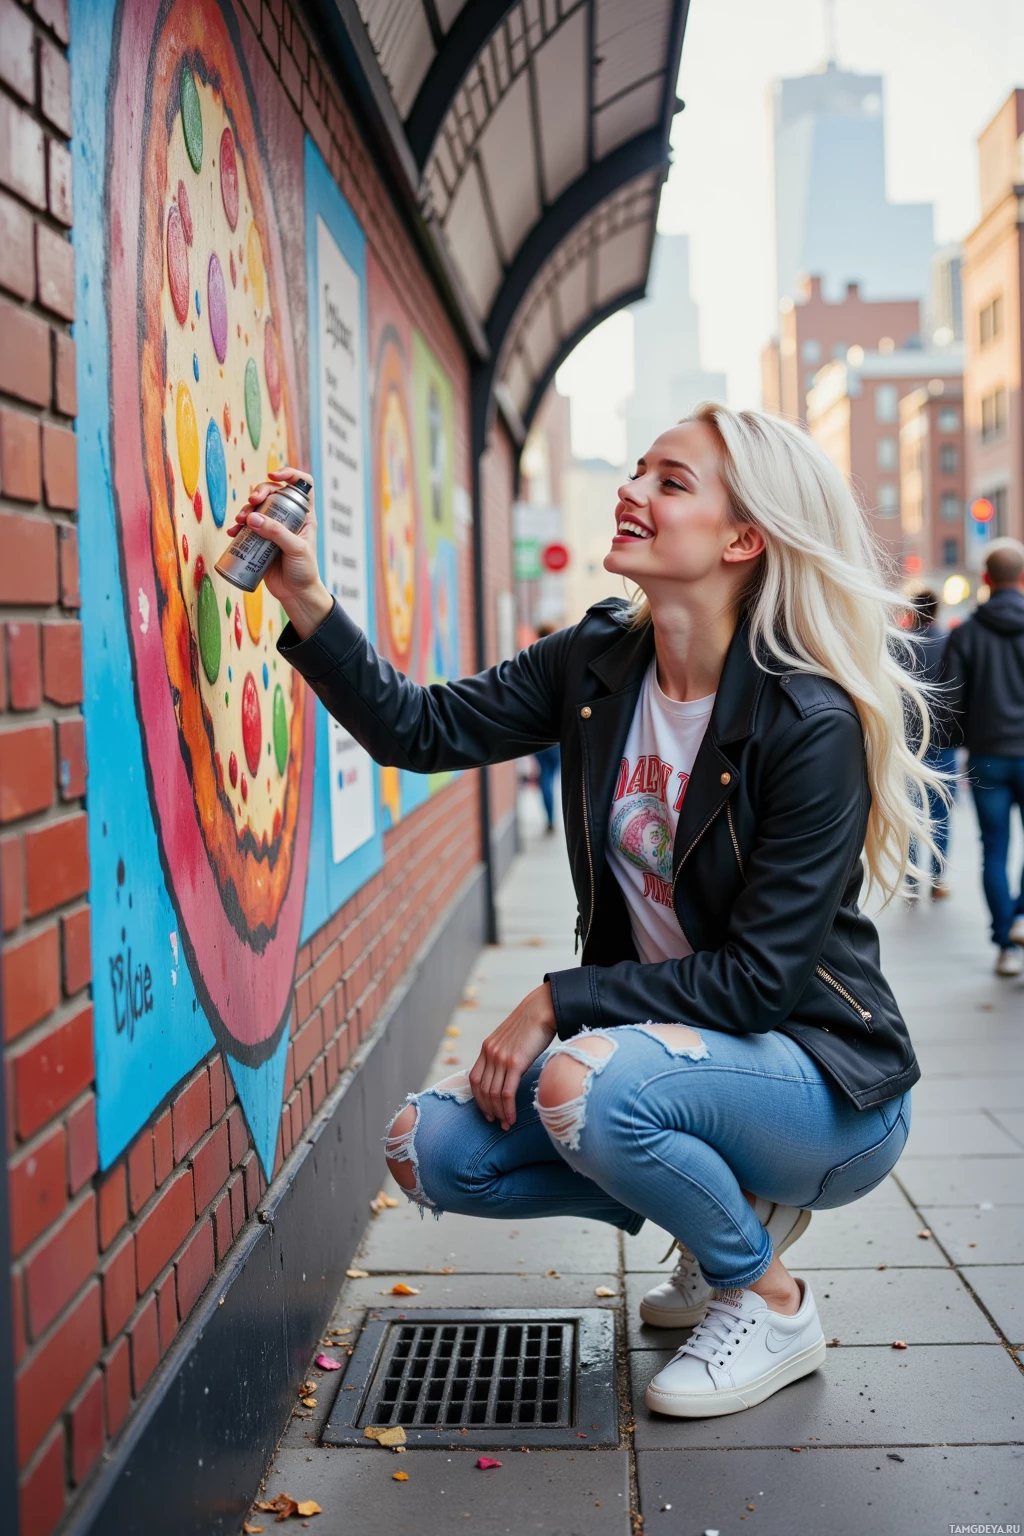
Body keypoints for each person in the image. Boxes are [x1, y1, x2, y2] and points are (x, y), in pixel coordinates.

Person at [231, 405, 933, 1420]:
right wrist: (305, 596)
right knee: (426, 1149)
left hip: (825, 1088)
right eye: (636, 467)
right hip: (672, 1062)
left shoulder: (805, 721)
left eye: (670, 481)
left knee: (580, 1085)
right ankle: (727, 1221)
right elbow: (419, 728)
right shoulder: (600, 658)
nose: (632, 490)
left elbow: (758, 982)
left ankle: (765, 1296)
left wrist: (562, 998)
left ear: (743, 540)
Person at [939, 539, 1024, 977]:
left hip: (988, 755)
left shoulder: (966, 633)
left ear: (987, 579)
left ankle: (1005, 941)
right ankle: (1020, 917)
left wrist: (955, 744)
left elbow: (950, 700)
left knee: (994, 848)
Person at [905, 589, 957, 901]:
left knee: (910, 812)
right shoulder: (949, 640)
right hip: (942, 738)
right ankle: (937, 880)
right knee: (941, 812)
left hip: (909, 741)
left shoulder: (900, 643)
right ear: (937, 610)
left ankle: (911, 879)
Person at [532, 624, 561, 834]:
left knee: (546, 777)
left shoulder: (533, 661)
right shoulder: (563, 661)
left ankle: (550, 819)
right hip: (559, 734)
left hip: (538, 732)